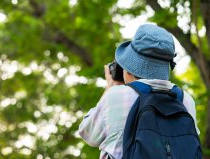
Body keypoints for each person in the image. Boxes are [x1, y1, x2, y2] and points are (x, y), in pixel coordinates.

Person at [78, 24, 200, 159]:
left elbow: (88, 134)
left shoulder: (115, 95)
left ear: (129, 69)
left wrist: (111, 86)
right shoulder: (185, 99)